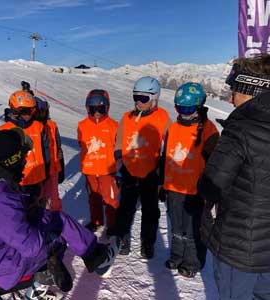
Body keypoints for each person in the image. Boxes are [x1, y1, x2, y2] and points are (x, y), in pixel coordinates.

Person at [0, 128, 120, 300]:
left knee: (47, 217)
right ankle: (92, 263)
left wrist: (27, 205)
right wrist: (43, 219)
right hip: (3, 268)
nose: (25, 162)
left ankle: (79, 261)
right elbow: (32, 246)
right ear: (12, 160)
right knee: (59, 227)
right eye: (23, 158)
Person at [198, 54, 270, 299]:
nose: (230, 97)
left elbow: (211, 186)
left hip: (239, 247)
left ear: (251, 90)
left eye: (235, 89)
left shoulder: (241, 128)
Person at [161, 82, 219, 278]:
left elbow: (215, 164)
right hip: (174, 187)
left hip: (195, 190)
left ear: (199, 105)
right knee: (176, 226)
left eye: (188, 108)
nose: (183, 113)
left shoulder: (208, 130)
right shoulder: (173, 128)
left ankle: (192, 261)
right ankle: (177, 255)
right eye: (179, 108)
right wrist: (162, 183)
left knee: (192, 228)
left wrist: (210, 191)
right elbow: (165, 157)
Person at [113, 76, 171, 257]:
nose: (138, 102)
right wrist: (119, 164)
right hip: (130, 171)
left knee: (150, 211)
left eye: (143, 98)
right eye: (135, 97)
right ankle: (122, 238)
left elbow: (170, 144)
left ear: (154, 98)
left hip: (151, 173)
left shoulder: (162, 117)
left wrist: (164, 175)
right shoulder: (127, 117)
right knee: (125, 209)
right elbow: (119, 142)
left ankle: (148, 242)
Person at [77, 89, 119, 235]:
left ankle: (113, 225)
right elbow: (81, 144)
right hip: (89, 169)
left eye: (100, 108)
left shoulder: (113, 125)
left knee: (110, 199)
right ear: (87, 107)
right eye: (93, 108)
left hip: (107, 170)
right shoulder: (82, 125)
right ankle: (96, 221)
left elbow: (119, 147)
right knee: (94, 197)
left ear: (106, 107)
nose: (97, 112)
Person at [0, 90, 48, 204]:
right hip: (18, 182)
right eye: (25, 111)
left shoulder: (38, 127)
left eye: (31, 111)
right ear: (15, 111)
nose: (28, 115)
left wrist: (47, 170)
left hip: (37, 178)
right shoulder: (5, 130)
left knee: (37, 209)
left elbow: (45, 150)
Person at [34, 97, 64, 211]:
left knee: (52, 199)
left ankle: (55, 220)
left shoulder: (51, 125)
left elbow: (58, 147)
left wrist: (60, 163)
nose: (39, 115)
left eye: (42, 111)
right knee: (36, 199)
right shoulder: (28, 128)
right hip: (35, 171)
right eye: (37, 112)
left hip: (52, 169)